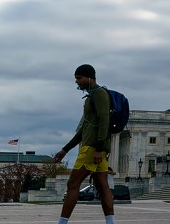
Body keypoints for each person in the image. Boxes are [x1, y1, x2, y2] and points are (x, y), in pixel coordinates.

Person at [54, 64, 115, 224]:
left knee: (73, 183)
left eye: (79, 78)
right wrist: (65, 150)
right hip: (94, 148)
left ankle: (62, 222)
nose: (77, 82)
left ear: (90, 77)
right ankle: (111, 222)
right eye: (76, 78)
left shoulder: (100, 94)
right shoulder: (91, 97)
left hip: (92, 148)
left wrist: (99, 149)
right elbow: (83, 130)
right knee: (103, 186)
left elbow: (104, 121)